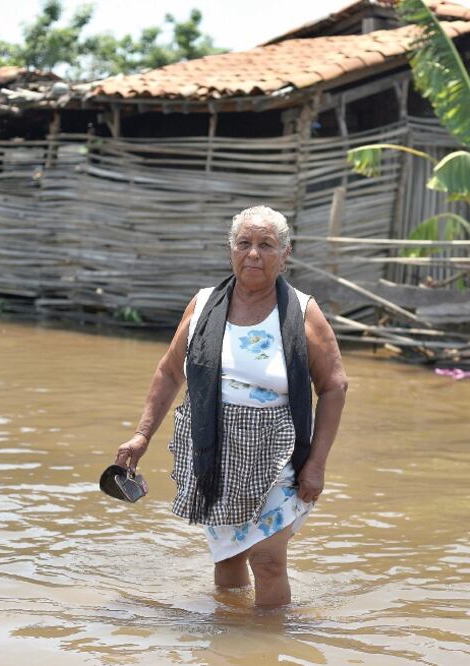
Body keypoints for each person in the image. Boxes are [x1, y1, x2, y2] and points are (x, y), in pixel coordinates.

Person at [115, 205, 348, 607]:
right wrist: (142, 434)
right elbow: (171, 372)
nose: (253, 254)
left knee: (268, 560)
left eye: (266, 245)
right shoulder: (204, 305)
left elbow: (334, 386)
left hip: (277, 454)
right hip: (213, 452)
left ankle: (268, 644)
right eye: (244, 243)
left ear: (285, 253)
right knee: (228, 558)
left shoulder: (302, 312)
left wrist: (317, 465)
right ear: (231, 250)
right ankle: (229, 639)